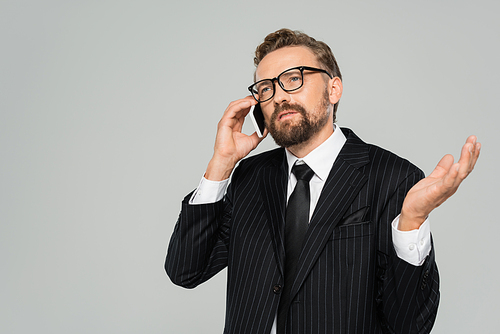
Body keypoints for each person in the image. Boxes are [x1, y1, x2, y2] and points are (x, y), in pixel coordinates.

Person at [165, 29, 480, 334]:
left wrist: (410, 222)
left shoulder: (393, 178)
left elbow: (409, 325)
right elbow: (185, 271)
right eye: (265, 87)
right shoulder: (249, 177)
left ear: (334, 89)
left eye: (293, 79)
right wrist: (220, 165)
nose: (278, 96)